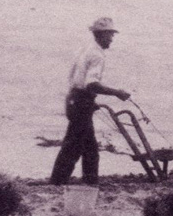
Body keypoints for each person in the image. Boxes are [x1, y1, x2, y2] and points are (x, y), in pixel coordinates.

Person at [50, 17, 131, 185]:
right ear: (100, 35)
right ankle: (58, 182)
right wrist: (117, 93)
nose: (111, 39)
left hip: (74, 98)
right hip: (81, 102)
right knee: (74, 146)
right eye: (110, 35)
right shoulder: (97, 55)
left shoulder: (85, 49)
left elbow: (76, 78)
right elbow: (92, 84)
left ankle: (89, 181)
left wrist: (87, 100)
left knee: (89, 147)